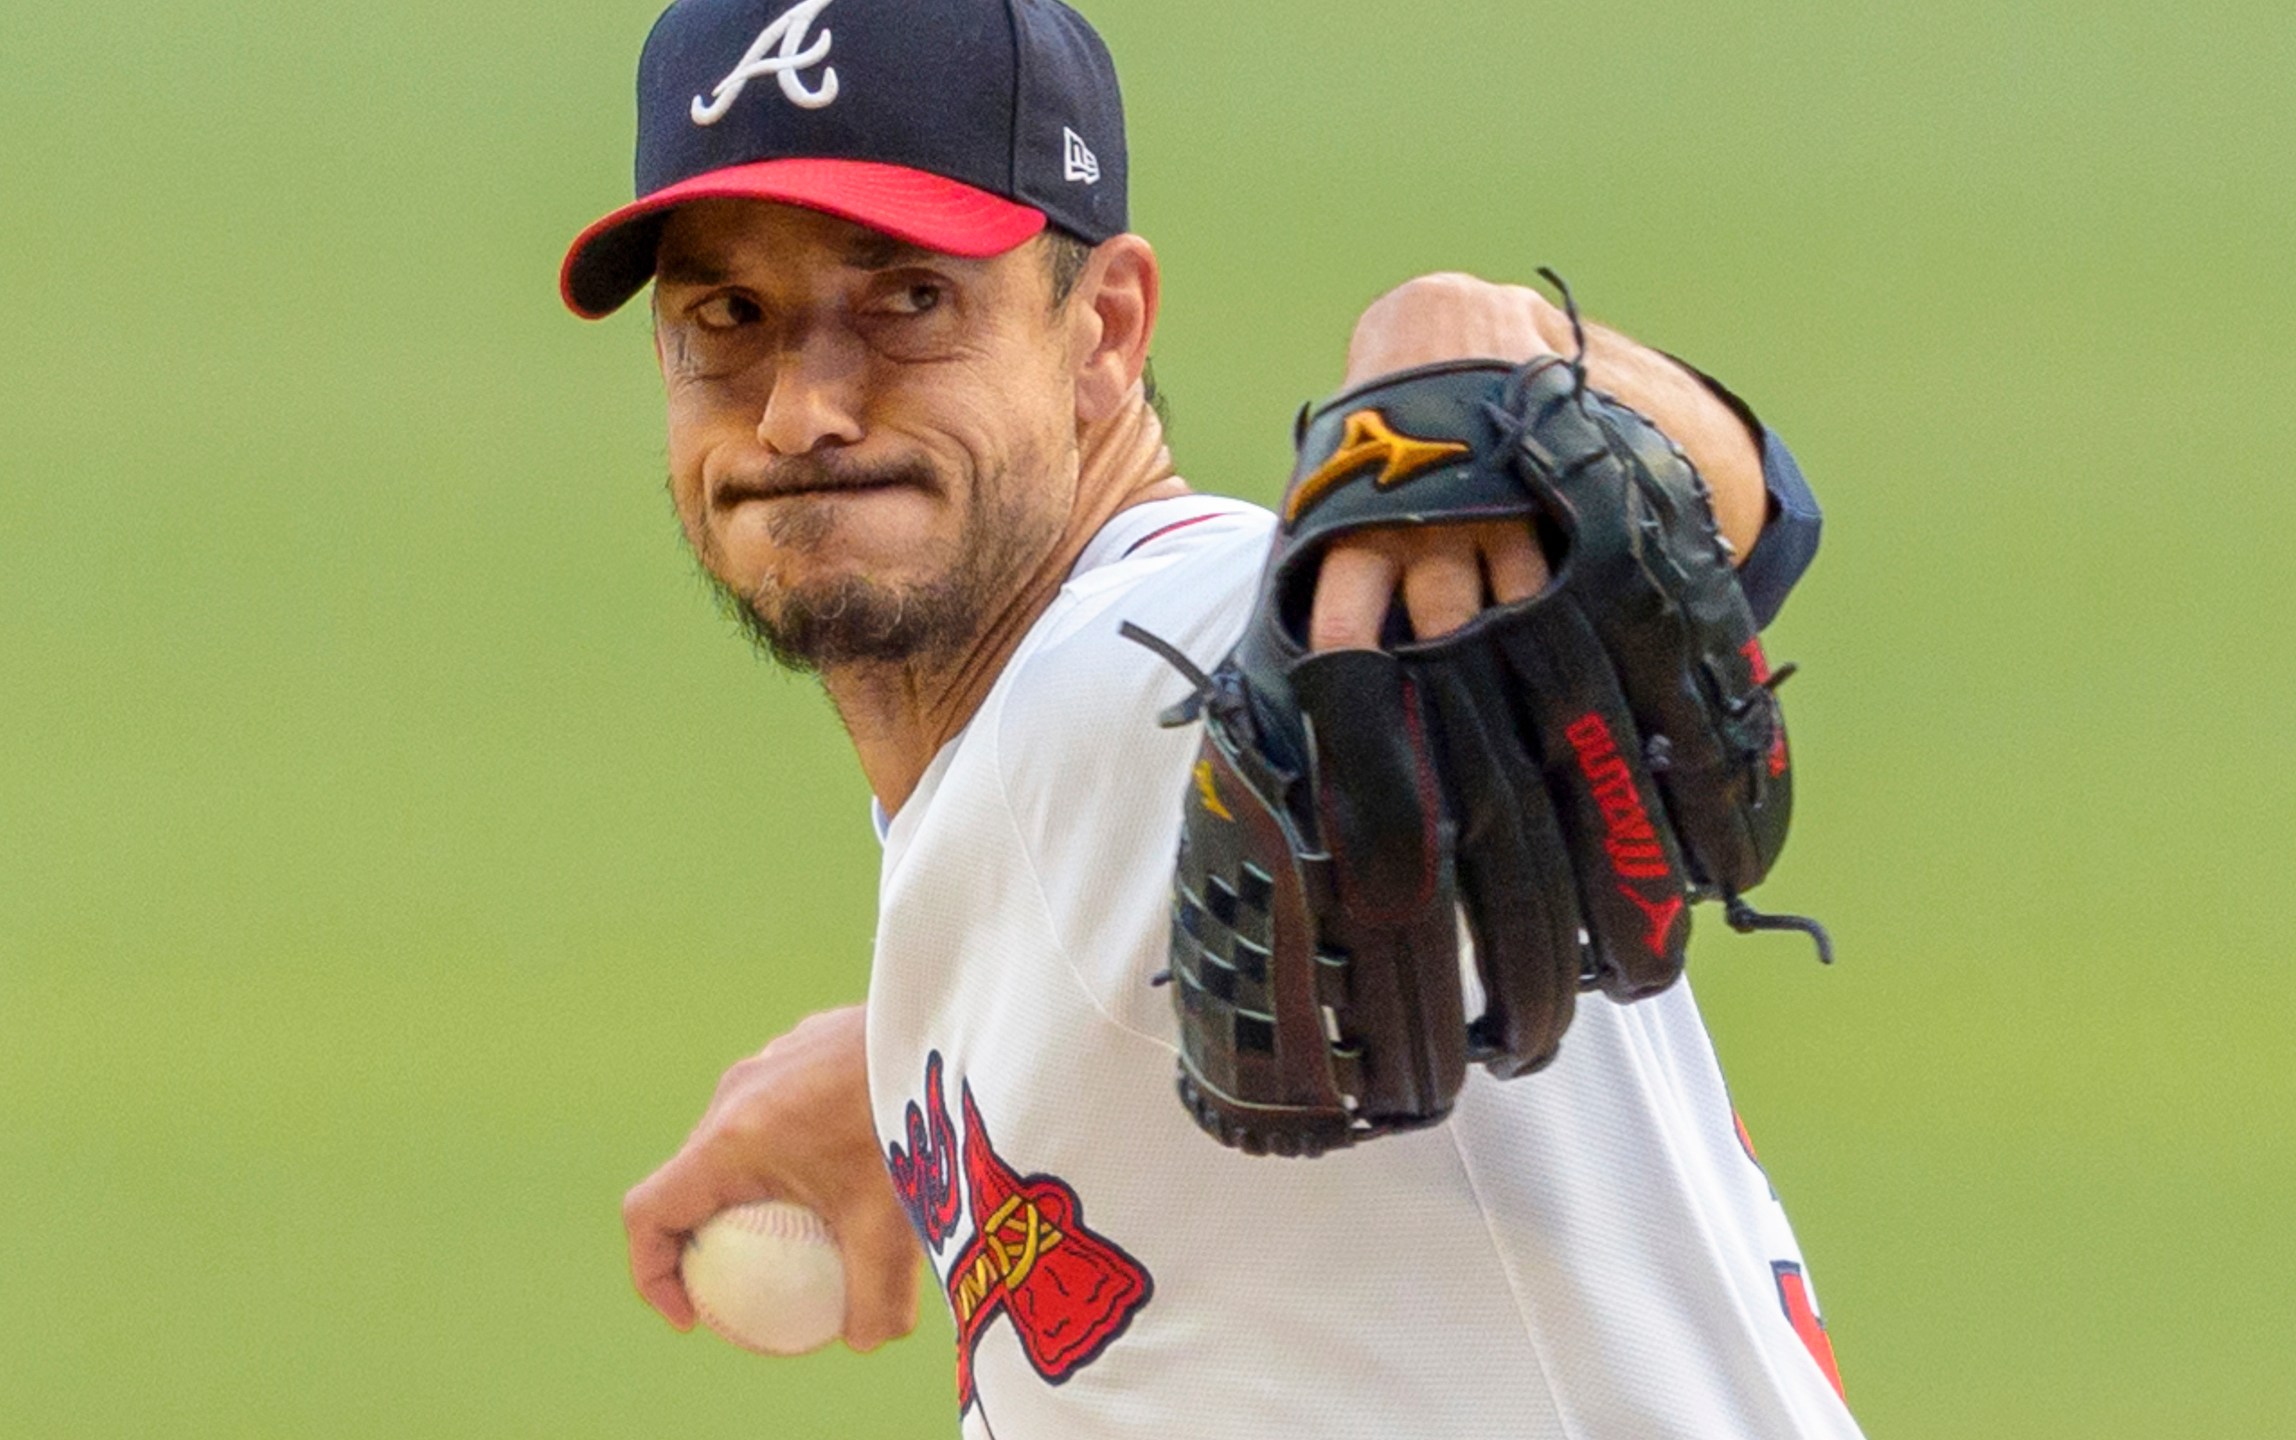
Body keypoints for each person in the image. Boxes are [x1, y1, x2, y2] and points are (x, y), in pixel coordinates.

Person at [560, 0, 1856, 1434]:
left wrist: (1508, 367)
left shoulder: (1157, 657)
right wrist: (917, 1060)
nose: (801, 407)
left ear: (1103, 331)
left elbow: (1688, 547)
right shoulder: (1026, 778)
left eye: (910, 299)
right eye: (726, 318)